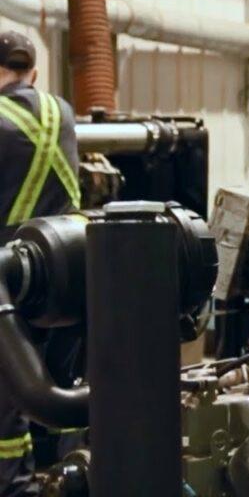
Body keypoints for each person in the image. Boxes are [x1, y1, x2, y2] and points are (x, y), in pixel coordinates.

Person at [0, 30, 80, 496]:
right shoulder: (62, 112)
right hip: (63, 274)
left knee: (7, 398)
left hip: (10, 277)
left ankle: (13, 486)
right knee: (55, 386)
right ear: (33, 72)